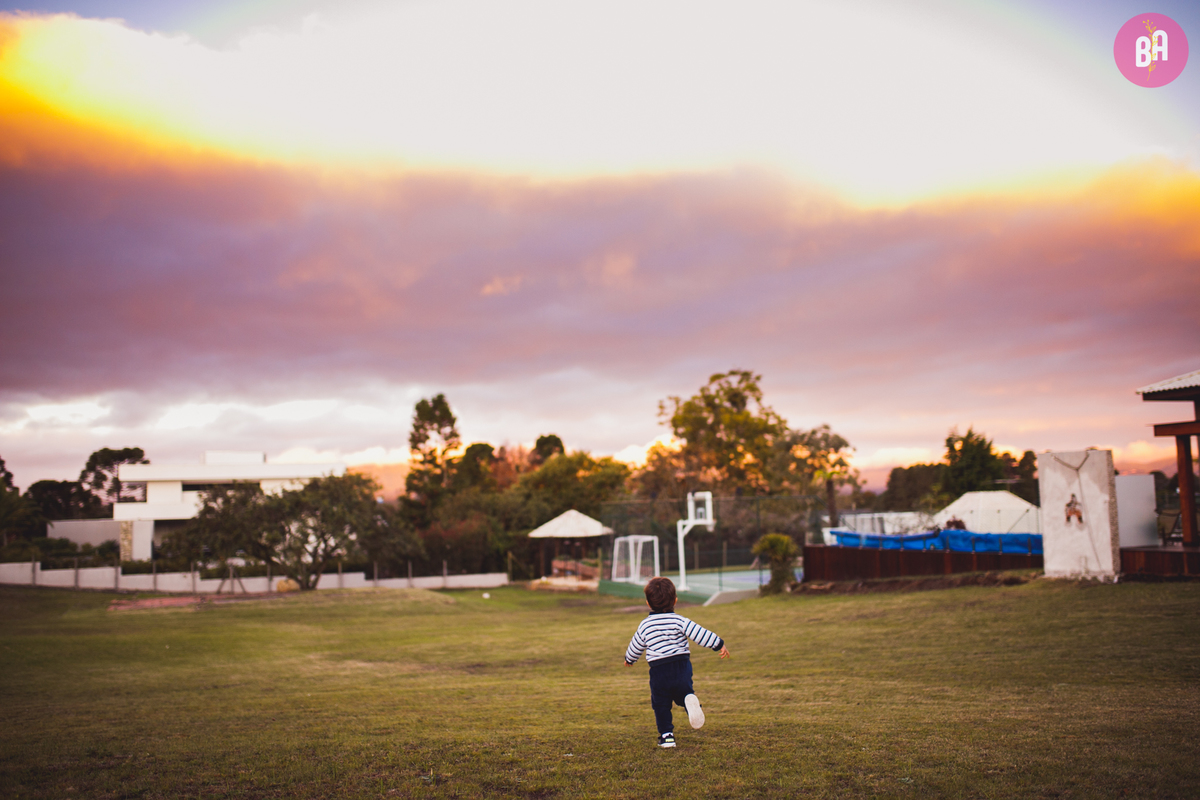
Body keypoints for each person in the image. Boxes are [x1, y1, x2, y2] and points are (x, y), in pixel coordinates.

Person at [624, 576, 730, 749]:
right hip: (681, 667)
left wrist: (630, 659)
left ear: (648, 603)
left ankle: (667, 737)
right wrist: (718, 643)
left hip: (659, 671)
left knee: (661, 703)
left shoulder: (645, 625)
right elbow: (699, 633)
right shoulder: (679, 621)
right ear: (675, 600)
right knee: (683, 692)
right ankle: (689, 700)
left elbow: (636, 645)